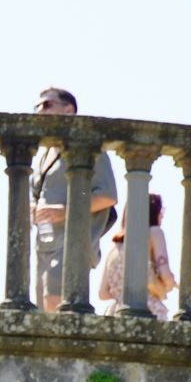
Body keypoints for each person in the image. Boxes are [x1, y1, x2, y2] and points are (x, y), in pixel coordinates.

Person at [31, 87, 118, 311]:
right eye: (37, 106)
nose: (40, 111)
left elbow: (107, 195)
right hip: (45, 242)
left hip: (73, 242)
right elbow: (36, 194)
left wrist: (65, 210)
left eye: (48, 105)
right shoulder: (44, 156)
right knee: (44, 310)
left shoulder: (90, 149)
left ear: (69, 111)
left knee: (57, 303)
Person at [99, 192, 178, 320]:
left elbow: (103, 293)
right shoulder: (154, 232)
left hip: (115, 313)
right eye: (161, 209)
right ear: (152, 212)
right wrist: (168, 285)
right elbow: (166, 276)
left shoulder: (115, 247)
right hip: (147, 311)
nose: (162, 215)